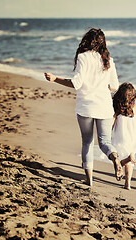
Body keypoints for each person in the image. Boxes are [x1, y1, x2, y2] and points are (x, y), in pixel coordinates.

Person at [44, 28, 123, 187]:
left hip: (86, 107)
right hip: (104, 106)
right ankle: (115, 158)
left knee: (87, 142)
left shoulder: (83, 57)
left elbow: (76, 84)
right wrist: (100, 87)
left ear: (87, 41)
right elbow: (114, 86)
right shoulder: (108, 60)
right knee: (104, 141)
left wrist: (55, 79)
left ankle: (90, 180)